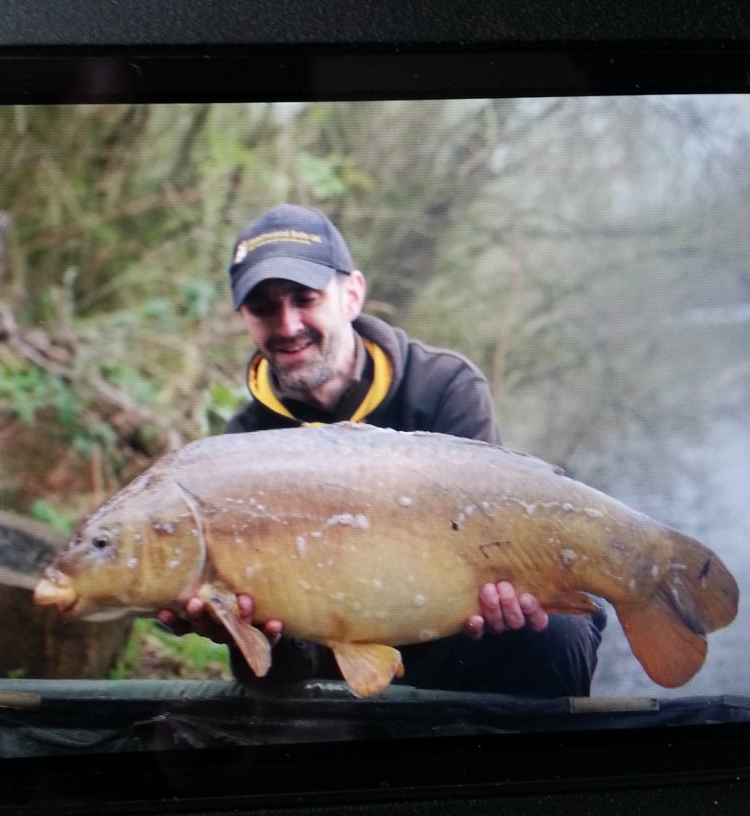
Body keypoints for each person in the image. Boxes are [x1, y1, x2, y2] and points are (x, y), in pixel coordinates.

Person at [158, 203, 606, 698]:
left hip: (449, 634)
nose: (287, 325)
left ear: (352, 294)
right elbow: (277, 658)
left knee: (558, 631)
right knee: (260, 678)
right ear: (244, 316)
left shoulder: (443, 386)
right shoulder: (238, 452)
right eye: (264, 308)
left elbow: (494, 546)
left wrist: (508, 591)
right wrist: (247, 627)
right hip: (326, 658)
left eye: (305, 299)